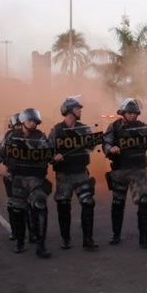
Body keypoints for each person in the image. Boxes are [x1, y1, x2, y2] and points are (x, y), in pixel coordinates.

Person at [0, 109, 52, 257]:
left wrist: (54, 157)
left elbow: (49, 153)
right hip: (17, 179)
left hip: (35, 179)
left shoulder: (41, 138)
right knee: (17, 211)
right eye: (30, 121)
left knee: (39, 206)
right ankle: (20, 241)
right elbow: (1, 153)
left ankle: (40, 245)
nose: (33, 124)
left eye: (35, 121)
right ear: (23, 121)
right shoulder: (12, 137)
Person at [103, 98, 147, 249]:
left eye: (134, 113)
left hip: (138, 171)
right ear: (123, 113)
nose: (132, 115)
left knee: (144, 202)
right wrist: (110, 148)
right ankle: (116, 235)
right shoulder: (114, 127)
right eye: (129, 112)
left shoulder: (142, 127)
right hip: (120, 170)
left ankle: (144, 238)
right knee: (118, 203)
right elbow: (106, 142)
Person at [49, 97, 98, 251]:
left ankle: (88, 239)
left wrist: (92, 141)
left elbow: (91, 148)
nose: (80, 111)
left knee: (88, 202)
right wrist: (54, 157)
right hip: (64, 175)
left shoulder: (84, 129)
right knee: (63, 205)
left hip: (81, 173)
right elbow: (47, 151)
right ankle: (65, 238)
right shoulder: (56, 130)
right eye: (78, 108)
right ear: (70, 111)